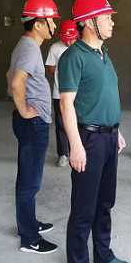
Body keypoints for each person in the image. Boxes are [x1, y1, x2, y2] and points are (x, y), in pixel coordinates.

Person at [58, 0, 131, 263]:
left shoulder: (103, 53)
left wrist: (117, 130)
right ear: (89, 22)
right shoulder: (72, 57)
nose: (112, 22)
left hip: (109, 137)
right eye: (107, 18)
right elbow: (67, 104)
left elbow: (105, 96)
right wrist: (75, 146)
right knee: (83, 209)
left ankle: (102, 253)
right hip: (88, 139)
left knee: (105, 202)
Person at [7, 0, 60, 255]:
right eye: (51, 20)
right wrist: (24, 110)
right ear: (38, 24)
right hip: (33, 122)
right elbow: (16, 81)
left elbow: (10, 76)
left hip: (32, 121)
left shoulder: (26, 45)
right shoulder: (29, 48)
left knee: (27, 177)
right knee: (30, 181)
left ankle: (28, 223)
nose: (55, 25)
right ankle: (29, 238)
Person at [45, 19, 79, 167]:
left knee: (80, 122)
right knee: (61, 124)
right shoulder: (55, 48)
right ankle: (63, 154)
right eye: (66, 40)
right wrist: (63, 69)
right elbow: (50, 68)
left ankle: (77, 150)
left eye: (72, 39)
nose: (69, 43)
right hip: (59, 93)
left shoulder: (81, 47)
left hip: (79, 94)